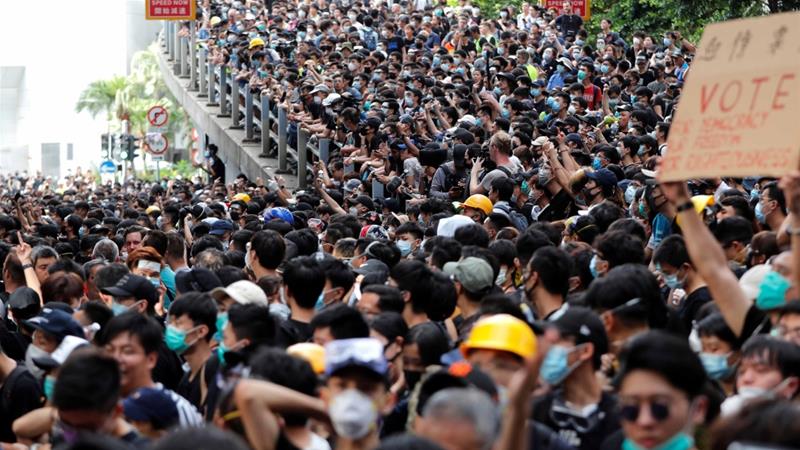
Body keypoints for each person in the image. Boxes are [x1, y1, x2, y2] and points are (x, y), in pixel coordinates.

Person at [100, 311, 203, 427]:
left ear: (151, 359)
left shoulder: (178, 409)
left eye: (127, 351)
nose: (116, 358)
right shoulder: (97, 404)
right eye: (110, 350)